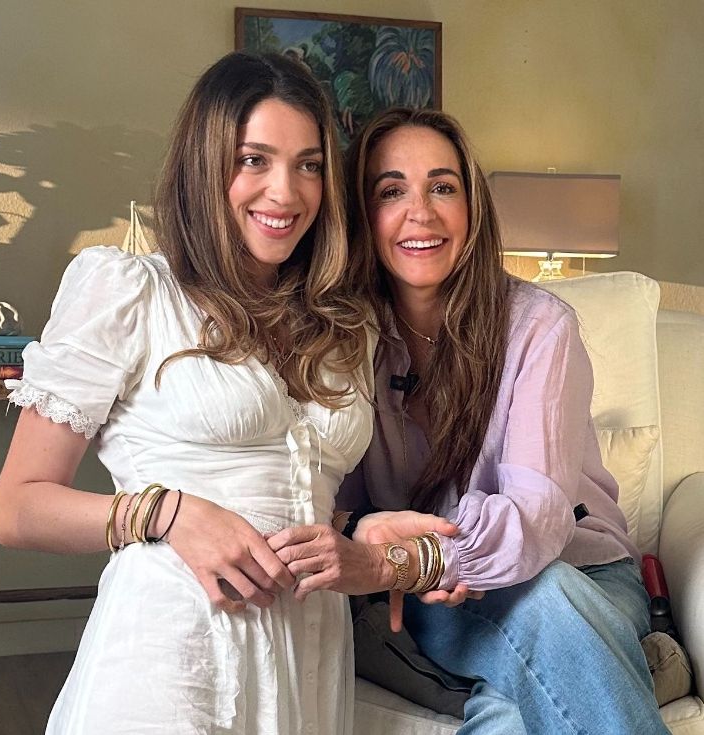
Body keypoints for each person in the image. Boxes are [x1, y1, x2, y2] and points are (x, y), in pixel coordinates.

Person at [0, 52, 421, 735]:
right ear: (204, 163)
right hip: (172, 653)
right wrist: (166, 512)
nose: (285, 192)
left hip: (307, 659)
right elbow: (16, 509)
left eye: (309, 165)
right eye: (253, 160)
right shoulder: (132, 291)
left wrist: (359, 536)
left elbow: (296, 488)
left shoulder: (346, 323)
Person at [269, 107, 671, 734]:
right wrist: (380, 546)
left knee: (518, 687)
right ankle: (638, 670)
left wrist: (417, 558)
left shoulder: (540, 327)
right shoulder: (341, 338)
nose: (421, 213)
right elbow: (323, 498)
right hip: (429, 600)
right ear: (361, 215)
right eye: (391, 191)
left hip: (588, 574)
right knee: (540, 638)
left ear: (471, 206)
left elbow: (537, 515)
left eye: (442, 187)